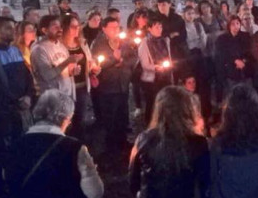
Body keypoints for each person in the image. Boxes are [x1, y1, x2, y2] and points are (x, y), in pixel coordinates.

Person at [0, 16, 35, 194]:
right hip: (2, 111)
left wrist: (28, 95)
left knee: (21, 146)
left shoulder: (16, 51)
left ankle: (19, 180)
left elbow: (27, 77)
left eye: (13, 28)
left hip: (21, 109)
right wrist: (15, 100)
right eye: (7, 28)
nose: (12, 32)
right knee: (1, 149)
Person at [91, 16, 138, 157]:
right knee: (110, 117)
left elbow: (133, 57)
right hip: (108, 87)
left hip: (123, 84)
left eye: (117, 27)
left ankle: (123, 141)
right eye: (112, 27)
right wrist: (113, 60)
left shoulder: (124, 42)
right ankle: (111, 146)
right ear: (104, 29)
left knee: (122, 115)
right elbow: (97, 64)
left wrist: (123, 62)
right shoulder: (98, 44)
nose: (115, 30)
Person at [61, 14, 98, 141]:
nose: (77, 29)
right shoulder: (59, 46)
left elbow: (89, 59)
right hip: (66, 89)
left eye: (78, 26)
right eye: (73, 26)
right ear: (64, 27)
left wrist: (93, 67)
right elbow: (56, 66)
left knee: (80, 119)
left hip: (82, 87)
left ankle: (79, 145)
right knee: (65, 120)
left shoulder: (82, 43)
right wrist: (70, 70)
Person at [31, 15, 82, 98]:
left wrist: (72, 71)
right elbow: (47, 75)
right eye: (55, 27)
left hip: (67, 94)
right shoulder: (39, 50)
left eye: (60, 26)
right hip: (52, 97)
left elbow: (64, 72)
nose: (60, 29)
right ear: (45, 30)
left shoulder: (61, 45)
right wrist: (67, 61)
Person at [138, 15, 174, 125]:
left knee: (166, 101)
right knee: (152, 102)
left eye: (160, 27)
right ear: (149, 28)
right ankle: (150, 124)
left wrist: (169, 65)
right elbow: (144, 64)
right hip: (152, 79)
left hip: (166, 76)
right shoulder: (144, 43)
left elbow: (169, 56)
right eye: (156, 27)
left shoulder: (165, 40)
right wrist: (156, 67)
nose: (159, 30)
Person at [214, 16, 252, 97]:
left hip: (245, 70)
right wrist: (235, 61)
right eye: (233, 24)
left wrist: (244, 61)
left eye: (237, 23)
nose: (236, 26)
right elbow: (222, 55)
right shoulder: (222, 39)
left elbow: (250, 52)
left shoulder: (246, 36)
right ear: (229, 25)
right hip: (231, 72)